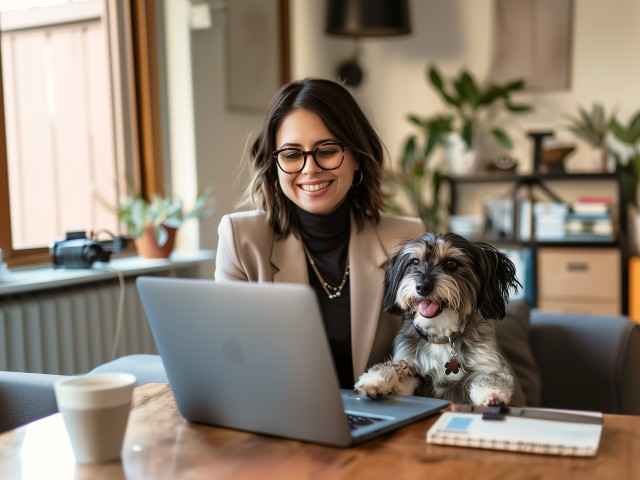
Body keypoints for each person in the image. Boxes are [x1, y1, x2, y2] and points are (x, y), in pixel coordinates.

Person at [215, 78, 423, 389]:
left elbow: (427, 356)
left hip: (382, 417)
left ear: (356, 157)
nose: (309, 169)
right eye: (291, 154)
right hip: (281, 419)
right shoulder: (241, 239)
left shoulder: (406, 240)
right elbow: (227, 357)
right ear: (274, 166)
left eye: (326, 150)